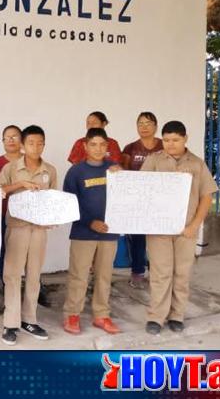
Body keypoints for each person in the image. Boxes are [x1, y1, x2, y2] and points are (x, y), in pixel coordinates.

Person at [141, 121, 217, 336]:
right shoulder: (153, 160)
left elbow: (206, 196)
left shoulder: (197, 164)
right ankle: (156, 316)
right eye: (166, 140)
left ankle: (177, 315)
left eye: (175, 140)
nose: (170, 144)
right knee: (160, 273)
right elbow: (141, 191)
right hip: (159, 229)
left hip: (186, 230)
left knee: (181, 274)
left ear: (185, 138)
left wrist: (194, 225)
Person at [0, 125, 58, 346]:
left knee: (34, 275)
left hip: (39, 230)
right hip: (17, 228)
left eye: (40, 143)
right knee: (12, 276)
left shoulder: (50, 170)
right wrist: (20, 184)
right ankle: (10, 323)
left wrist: (53, 218)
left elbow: (53, 199)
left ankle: (29, 320)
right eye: (31, 143)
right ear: (22, 145)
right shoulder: (11, 168)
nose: (36, 147)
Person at [61, 128, 122, 336]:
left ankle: (101, 315)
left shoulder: (115, 170)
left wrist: (123, 177)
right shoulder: (76, 172)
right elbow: (69, 204)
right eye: (93, 144)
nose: (98, 149)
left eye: (102, 145)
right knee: (79, 276)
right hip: (83, 233)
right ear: (85, 146)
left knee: (104, 276)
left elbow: (126, 198)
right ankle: (72, 315)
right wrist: (90, 222)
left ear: (108, 147)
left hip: (110, 232)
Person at [120, 112, 163, 288]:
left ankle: (159, 273)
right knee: (137, 237)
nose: (144, 127)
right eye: (140, 123)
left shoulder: (163, 145)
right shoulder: (130, 148)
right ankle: (137, 272)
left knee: (159, 237)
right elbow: (123, 171)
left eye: (148, 123)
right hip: (137, 200)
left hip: (160, 199)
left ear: (156, 126)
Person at [0, 125, 23, 282]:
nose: (11, 140)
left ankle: (35, 287)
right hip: (1, 215)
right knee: (2, 251)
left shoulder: (31, 161)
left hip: (25, 216)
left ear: (22, 140)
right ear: (2, 141)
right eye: (7, 137)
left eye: (15, 136)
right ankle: (6, 284)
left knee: (27, 253)